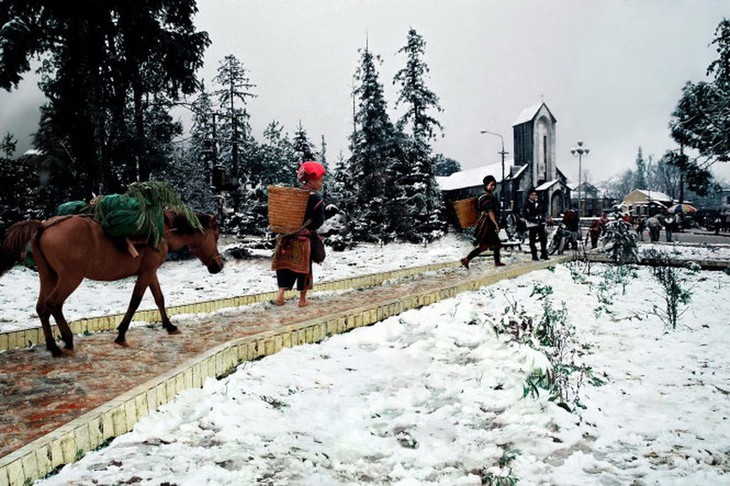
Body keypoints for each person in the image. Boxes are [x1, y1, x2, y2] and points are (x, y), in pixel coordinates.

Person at [272, 161, 326, 307]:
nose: (321, 183)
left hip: (287, 238)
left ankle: (280, 295)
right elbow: (319, 221)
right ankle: (302, 300)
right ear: (312, 179)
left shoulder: (293, 195)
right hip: (303, 239)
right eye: (320, 180)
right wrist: (311, 228)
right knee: (304, 269)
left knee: (285, 267)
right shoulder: (316, 199)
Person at [460, 175, 505, 268]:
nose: (493, 187)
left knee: (486, 246)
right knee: (493, 244)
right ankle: (496, 262)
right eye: (491, 185)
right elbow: (490, 212)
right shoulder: (486, 197)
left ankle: (467, 259)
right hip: (487, 225)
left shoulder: (486, 196)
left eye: (494, 185)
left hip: (487, 225)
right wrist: (496, 224)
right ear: (486, 185)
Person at [523, 188, 549, 261]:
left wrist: (544, 219)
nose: (534, 196)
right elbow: (526, 216)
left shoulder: (539, 203)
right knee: (532, 240)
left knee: (543, 239)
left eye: (535, 195)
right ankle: (534, 255)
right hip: (532, 225)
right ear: (529, 196)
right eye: (532, 195)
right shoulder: (527, 205)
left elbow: (543, 212)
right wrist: (535, 219)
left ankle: (543, 253)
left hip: (540, 224)